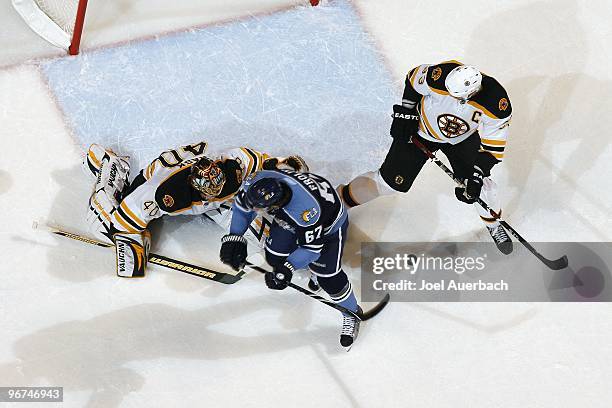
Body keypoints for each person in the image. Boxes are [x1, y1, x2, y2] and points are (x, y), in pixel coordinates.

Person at [338, 61, 513, 253]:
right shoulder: (440, 75)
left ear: (471, 93)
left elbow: (491, 149)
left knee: (482, 188)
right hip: (420, 131)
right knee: (389, 183)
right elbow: (413, 80)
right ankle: (339, 202)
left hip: (461, 140)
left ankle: (494, 225)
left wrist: (476, 176)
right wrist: (406, 113)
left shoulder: (497, 103)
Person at [83, 141, 307, 277]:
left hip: (209, 200)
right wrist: (133, 249)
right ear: (196, 188)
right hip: (155, 179)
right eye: (209, 192)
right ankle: (109, 168)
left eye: (217, 188)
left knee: (270, 241)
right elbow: (121, 223)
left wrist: (285, 167)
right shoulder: (165, 195)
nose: (215, 192)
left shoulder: (233, 166)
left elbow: (264, 163)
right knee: (104, 228)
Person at [219, 169, 361, 351]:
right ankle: (309, 268)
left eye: (259, 208)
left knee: (328, 278)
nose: (255, 211)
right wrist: (235, 237)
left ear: (275, 205)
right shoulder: (257, 181)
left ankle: (352, 312)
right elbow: (243, 207)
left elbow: (312, 248)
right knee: (273, 255)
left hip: (329, 225)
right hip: (299, 215)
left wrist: (289, 267)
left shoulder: (306, 210)